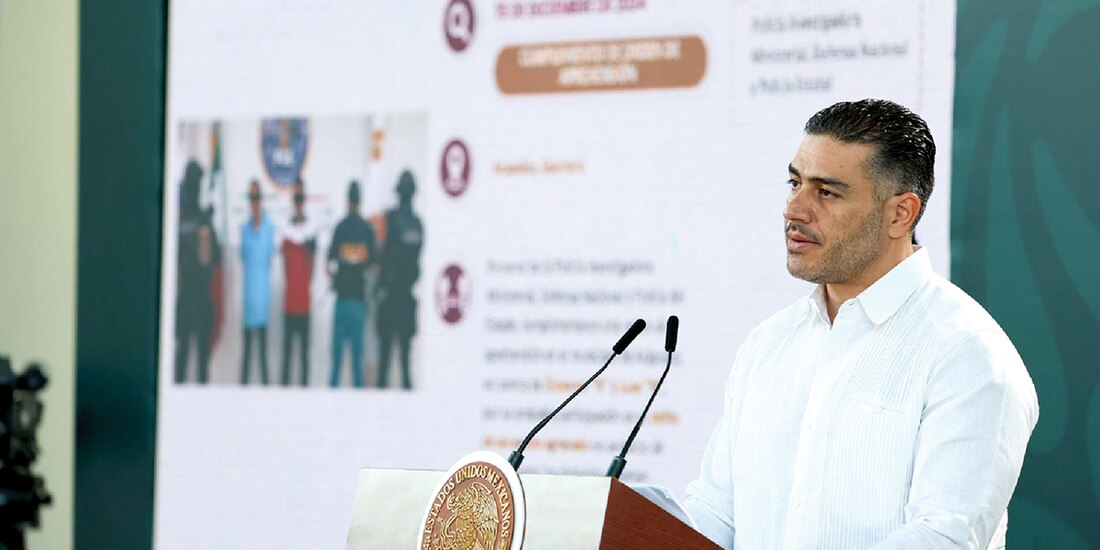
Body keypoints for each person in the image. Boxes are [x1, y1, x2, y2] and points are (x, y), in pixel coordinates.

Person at [684, 99, 1039, 549]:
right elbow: (716, 512)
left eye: (826, 193)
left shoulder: (967, 353)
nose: (794, 209)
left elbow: (943, 537)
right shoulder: (769, 342)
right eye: (795, 183)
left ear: (900, 214)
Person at [375, 170, 424, 389]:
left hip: (393, 297)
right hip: (403, 298)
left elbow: (382, 255)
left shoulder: (391, 220)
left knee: (386, 364)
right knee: (403, 365)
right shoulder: (417, 224)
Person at [175, 160, 221, 383]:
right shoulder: (180, 219)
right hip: (187, 295)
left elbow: (213, 260)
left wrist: (207, 235)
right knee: (182, 358)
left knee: (202, 361)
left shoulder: (203, 219)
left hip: (201, 296)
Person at [328, 180, 377, 388]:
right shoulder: (366, 229)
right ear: (360, 200)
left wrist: (336, 280)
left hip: (341, 300)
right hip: (358, 301)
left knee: (336, 365)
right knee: (357, 365)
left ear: (347, 200)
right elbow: (375, 267)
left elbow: (328, 265)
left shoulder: (340, 228)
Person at [239, 179, 276, 385]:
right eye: (251, 198)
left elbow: (268, 259)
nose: (254, 202)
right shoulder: (244, 229)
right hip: (248, 298)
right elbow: (244, 258)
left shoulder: (269, 228)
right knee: (246, 355)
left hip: (262, 298)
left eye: (257, 198)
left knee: (262, 355)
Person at [280, 177, 316, 386]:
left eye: (301, 197)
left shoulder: (311, 231)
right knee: (286, 358)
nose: (299, 202)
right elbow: (285, 267)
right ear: (293, 200)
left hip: (305, 305)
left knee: (304, 358)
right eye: (296, 197)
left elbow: (312, 268)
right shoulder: (286, 231)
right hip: (289, 304)